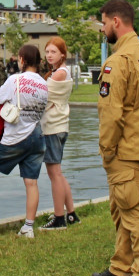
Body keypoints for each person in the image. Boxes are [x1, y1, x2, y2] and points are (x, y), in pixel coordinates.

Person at [90, 0, 139, 276]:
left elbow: (111, 113)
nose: (103, 29)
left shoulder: (118, 61)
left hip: (123, 148)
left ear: (116, 22)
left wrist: (107, 149)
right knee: (122, 207)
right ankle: (121, 265)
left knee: (134, 211)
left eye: (104, 23)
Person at [0, 44, 49, 239]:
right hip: (37, 136)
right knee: (31, 182)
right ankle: (28, 227)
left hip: (16, 137)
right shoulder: (43, 84)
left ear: (22, 60)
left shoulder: (15, 79)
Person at [39, 37, 78, 230]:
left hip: (53, 127)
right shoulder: (60, 72)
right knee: (59, 174)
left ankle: (59, 218)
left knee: (54, 174)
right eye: (47, 52)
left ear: (63, 54)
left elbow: (41, 96)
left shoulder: (59, 74)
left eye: (53, 52)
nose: (49, 55)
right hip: (60, 125)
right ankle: (70, 213)